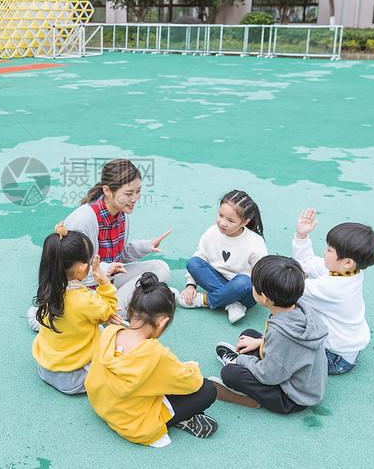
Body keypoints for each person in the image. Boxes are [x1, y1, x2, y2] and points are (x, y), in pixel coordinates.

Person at [29, 159, 172, 330]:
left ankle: (108, 313)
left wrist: (146, 246)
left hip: (105, 283)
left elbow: (118, 254)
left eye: (138, 191)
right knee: (94, 325)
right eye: (128, 193)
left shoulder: (121, 213)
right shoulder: (84, 219)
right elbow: (70, 270)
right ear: (107, 191)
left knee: (161, 268)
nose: (134, 198)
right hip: (80, 287)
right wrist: (104, 271)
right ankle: (113, 311)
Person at [85, 273, 217, 447]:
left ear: (130, 310)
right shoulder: (156, 354)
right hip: (137, 426)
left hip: (103, 406)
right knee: (207, 389)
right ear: (162, 322)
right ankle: (172, 419)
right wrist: (191, 366)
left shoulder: (109, 333)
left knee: (163, 378)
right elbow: (192, 383)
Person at [210, 255, 328, 414]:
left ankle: (247, 393)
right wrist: (261, 341)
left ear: (264, 297)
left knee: (230, 373)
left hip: (292, 398)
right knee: (249, 335)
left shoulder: (281, 334)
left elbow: (269, 376)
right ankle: (238, 361)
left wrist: (242, 360)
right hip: (299, 376)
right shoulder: (302, 307)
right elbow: (289, 347)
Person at [31, 224, 121, 394]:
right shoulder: (84, 300)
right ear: (82, 267)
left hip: (44, 367)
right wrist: (103, 282)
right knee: (113, 340)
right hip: (73, 378)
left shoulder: (47, 287)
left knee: (52, 319)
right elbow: (108, 310)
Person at [291, 209, 374, 374]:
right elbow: (307, 262)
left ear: (347, 262)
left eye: (330, 250)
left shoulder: (332, 288)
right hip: (348, 347)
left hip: (335, 358)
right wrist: (301, 235)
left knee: (292, 315)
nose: (324, 251)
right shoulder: (350, 273)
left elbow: (291, 289)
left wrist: (292, 275)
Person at [177, 189, 267, 324]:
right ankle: (231, 303)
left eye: (230, 220)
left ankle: (206, 300)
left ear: (244, 222)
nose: (222, 223)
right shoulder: (212, 232)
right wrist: (191, 285)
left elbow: (262, 276)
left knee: (244, 281)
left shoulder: (255, 242)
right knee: (193, 263)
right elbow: (201, 257)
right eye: (220, 215)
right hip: (216, 279)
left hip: (244, 292)